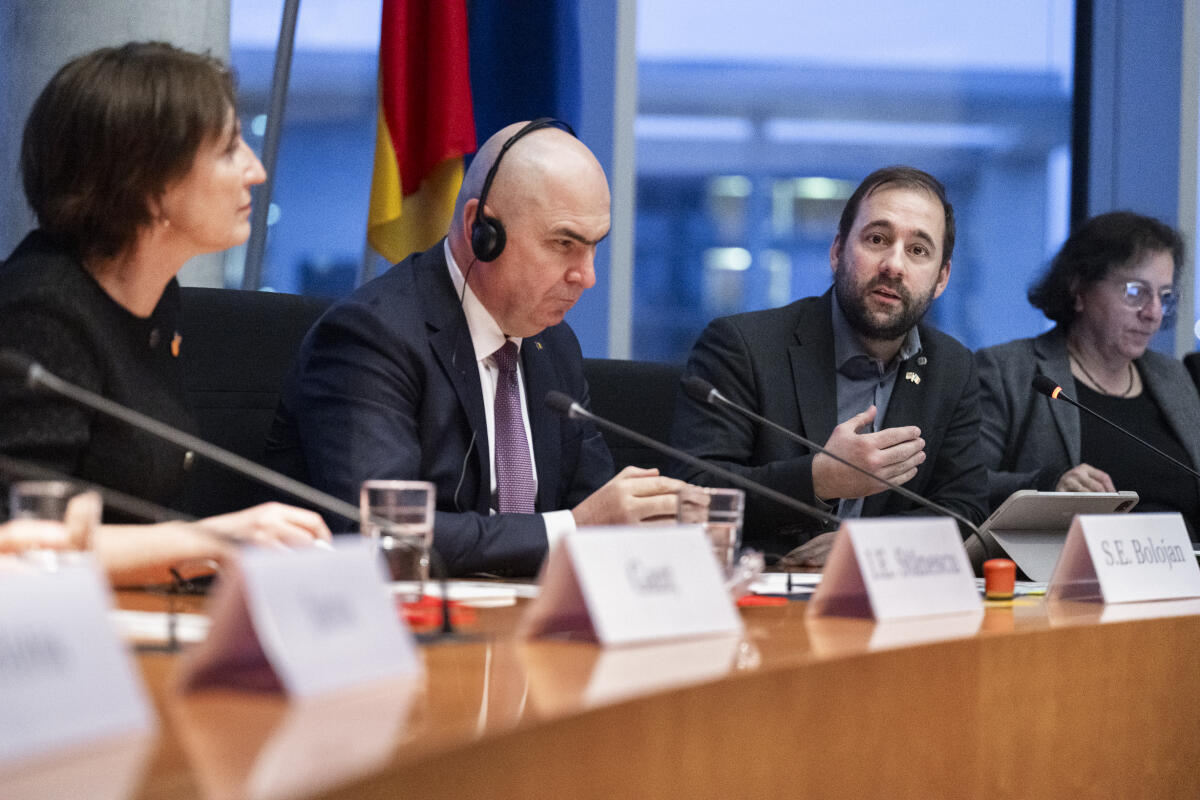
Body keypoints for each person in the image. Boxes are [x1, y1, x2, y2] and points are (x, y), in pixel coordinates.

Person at [268, 120, 685, 577]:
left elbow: (593, 506)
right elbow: (387, 536)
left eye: (593, 248)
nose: (586, 277)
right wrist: (573, 528)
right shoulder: (371, 336)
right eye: (564, 243)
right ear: (480, 230)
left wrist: (654, 519)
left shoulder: (553, 344)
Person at [0, 43, 330, 586]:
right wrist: (218, 542)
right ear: (150, 185)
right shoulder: (40, 314)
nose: (256, 169)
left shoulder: (155, 299)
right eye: (228, 150)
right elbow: (25, 537)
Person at [670, 166, 987, 563]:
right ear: (837, 251)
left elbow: (965, 510)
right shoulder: (743, 346)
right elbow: (692, 495)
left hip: (890, 601)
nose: (894, 264)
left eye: (918, 250)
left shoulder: (951, 368)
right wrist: (820, 478)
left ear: (941, 279)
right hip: (759, 598)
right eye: (877, 239)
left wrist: (867, 547)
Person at [976, 211, 1200, 536]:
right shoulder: (1009, 370)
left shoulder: (1173, 377)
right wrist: (1046, 484)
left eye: (1164, 297)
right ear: (1079, 289)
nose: (1152, 313)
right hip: (1069, 575)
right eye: (1136, 292)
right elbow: (966, 483)